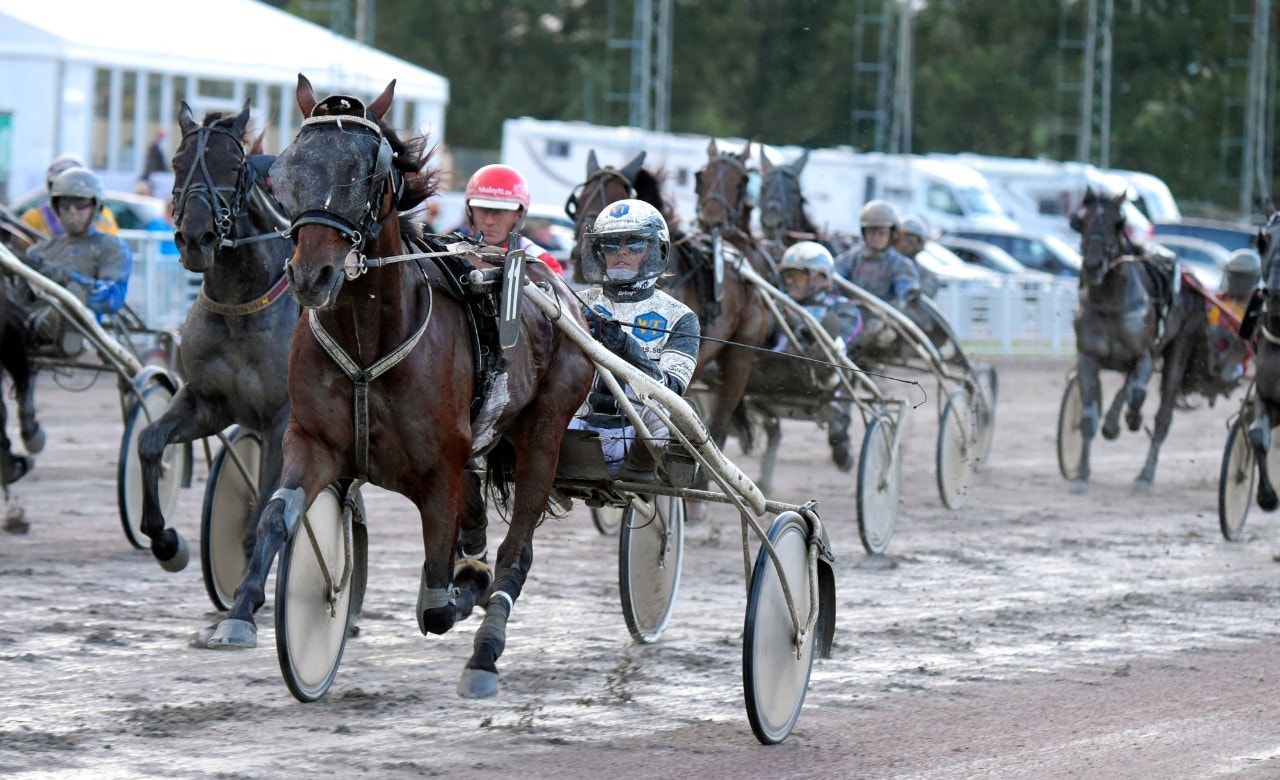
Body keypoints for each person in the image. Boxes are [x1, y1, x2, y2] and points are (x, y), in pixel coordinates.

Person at [569, 199, 700, 479]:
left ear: (656, 250)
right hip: (575, 419)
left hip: (643, 432)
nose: (621, 252)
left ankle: (668, 465)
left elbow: (673, 389)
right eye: (610, 244)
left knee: (681, 411)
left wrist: (626, 347)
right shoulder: (573, 303)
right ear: (599, 252)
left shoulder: (679, 316)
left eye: (635, 244)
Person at [775, 240, 863, 471]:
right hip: (775, 367)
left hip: (822, 374)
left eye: (798, 275)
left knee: (832, 344)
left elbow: (845, 339)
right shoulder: (776, 303)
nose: (790, 281)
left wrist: (821, 341)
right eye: (787, 275)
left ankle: (839, 432)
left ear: (820, 277)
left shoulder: (841, 307)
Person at [23, 168, 131, 354]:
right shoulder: (40, 250)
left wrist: (67, 279)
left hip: (83, 324)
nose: (72, 211)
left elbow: (113, 297)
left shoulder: (112, 246)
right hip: (29, 318)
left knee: (65, 305)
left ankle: (64, 327)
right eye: (65, 203)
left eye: (80, 204)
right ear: (56, 207)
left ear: (96, 207)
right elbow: (21, 298)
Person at [835, 199, 920, 353]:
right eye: (871, 232)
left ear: (892, 234)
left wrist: (909, 292)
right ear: (863, 233)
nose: (876, 237)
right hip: (849, 312)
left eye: (881, 233)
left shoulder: (899, 263)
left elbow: (906, 286)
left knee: (869, 327)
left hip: (881, 318)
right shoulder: (852, 259)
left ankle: (837, 352)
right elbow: (834, 276)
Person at [458, 164, 564, 276]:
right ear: (470, 211)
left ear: (519, 214)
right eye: (482, 210)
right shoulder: (450, 253)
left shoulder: (543, 261)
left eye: (500, 211)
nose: (489, 221)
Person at [20, 155, 120, 237]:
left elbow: (111, 248)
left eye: (80, 202)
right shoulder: (34, 217)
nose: (72, 211)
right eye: (65, 200)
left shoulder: (103, 216)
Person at [1209, 248, 1261, 382]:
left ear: (1254, 278)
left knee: (1239, 344)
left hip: (1233, 362)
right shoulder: (1215, 298)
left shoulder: (1257, 307)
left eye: (1242, 277)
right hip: (1206, 351)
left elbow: (1254, 343)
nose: (1237, 280)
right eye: (1235, 275)